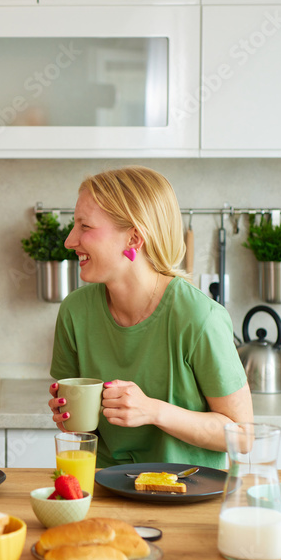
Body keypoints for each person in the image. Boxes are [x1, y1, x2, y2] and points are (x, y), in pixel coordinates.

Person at [46, 166, 252, 469]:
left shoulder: (199, 318)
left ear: (134, 238)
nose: (70, 240)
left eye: (84, 226)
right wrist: (69, 416)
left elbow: (243, 436)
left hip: (188, 493)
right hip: (107, 487)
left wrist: (153, 411)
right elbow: (81, 430)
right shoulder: (75, 312)